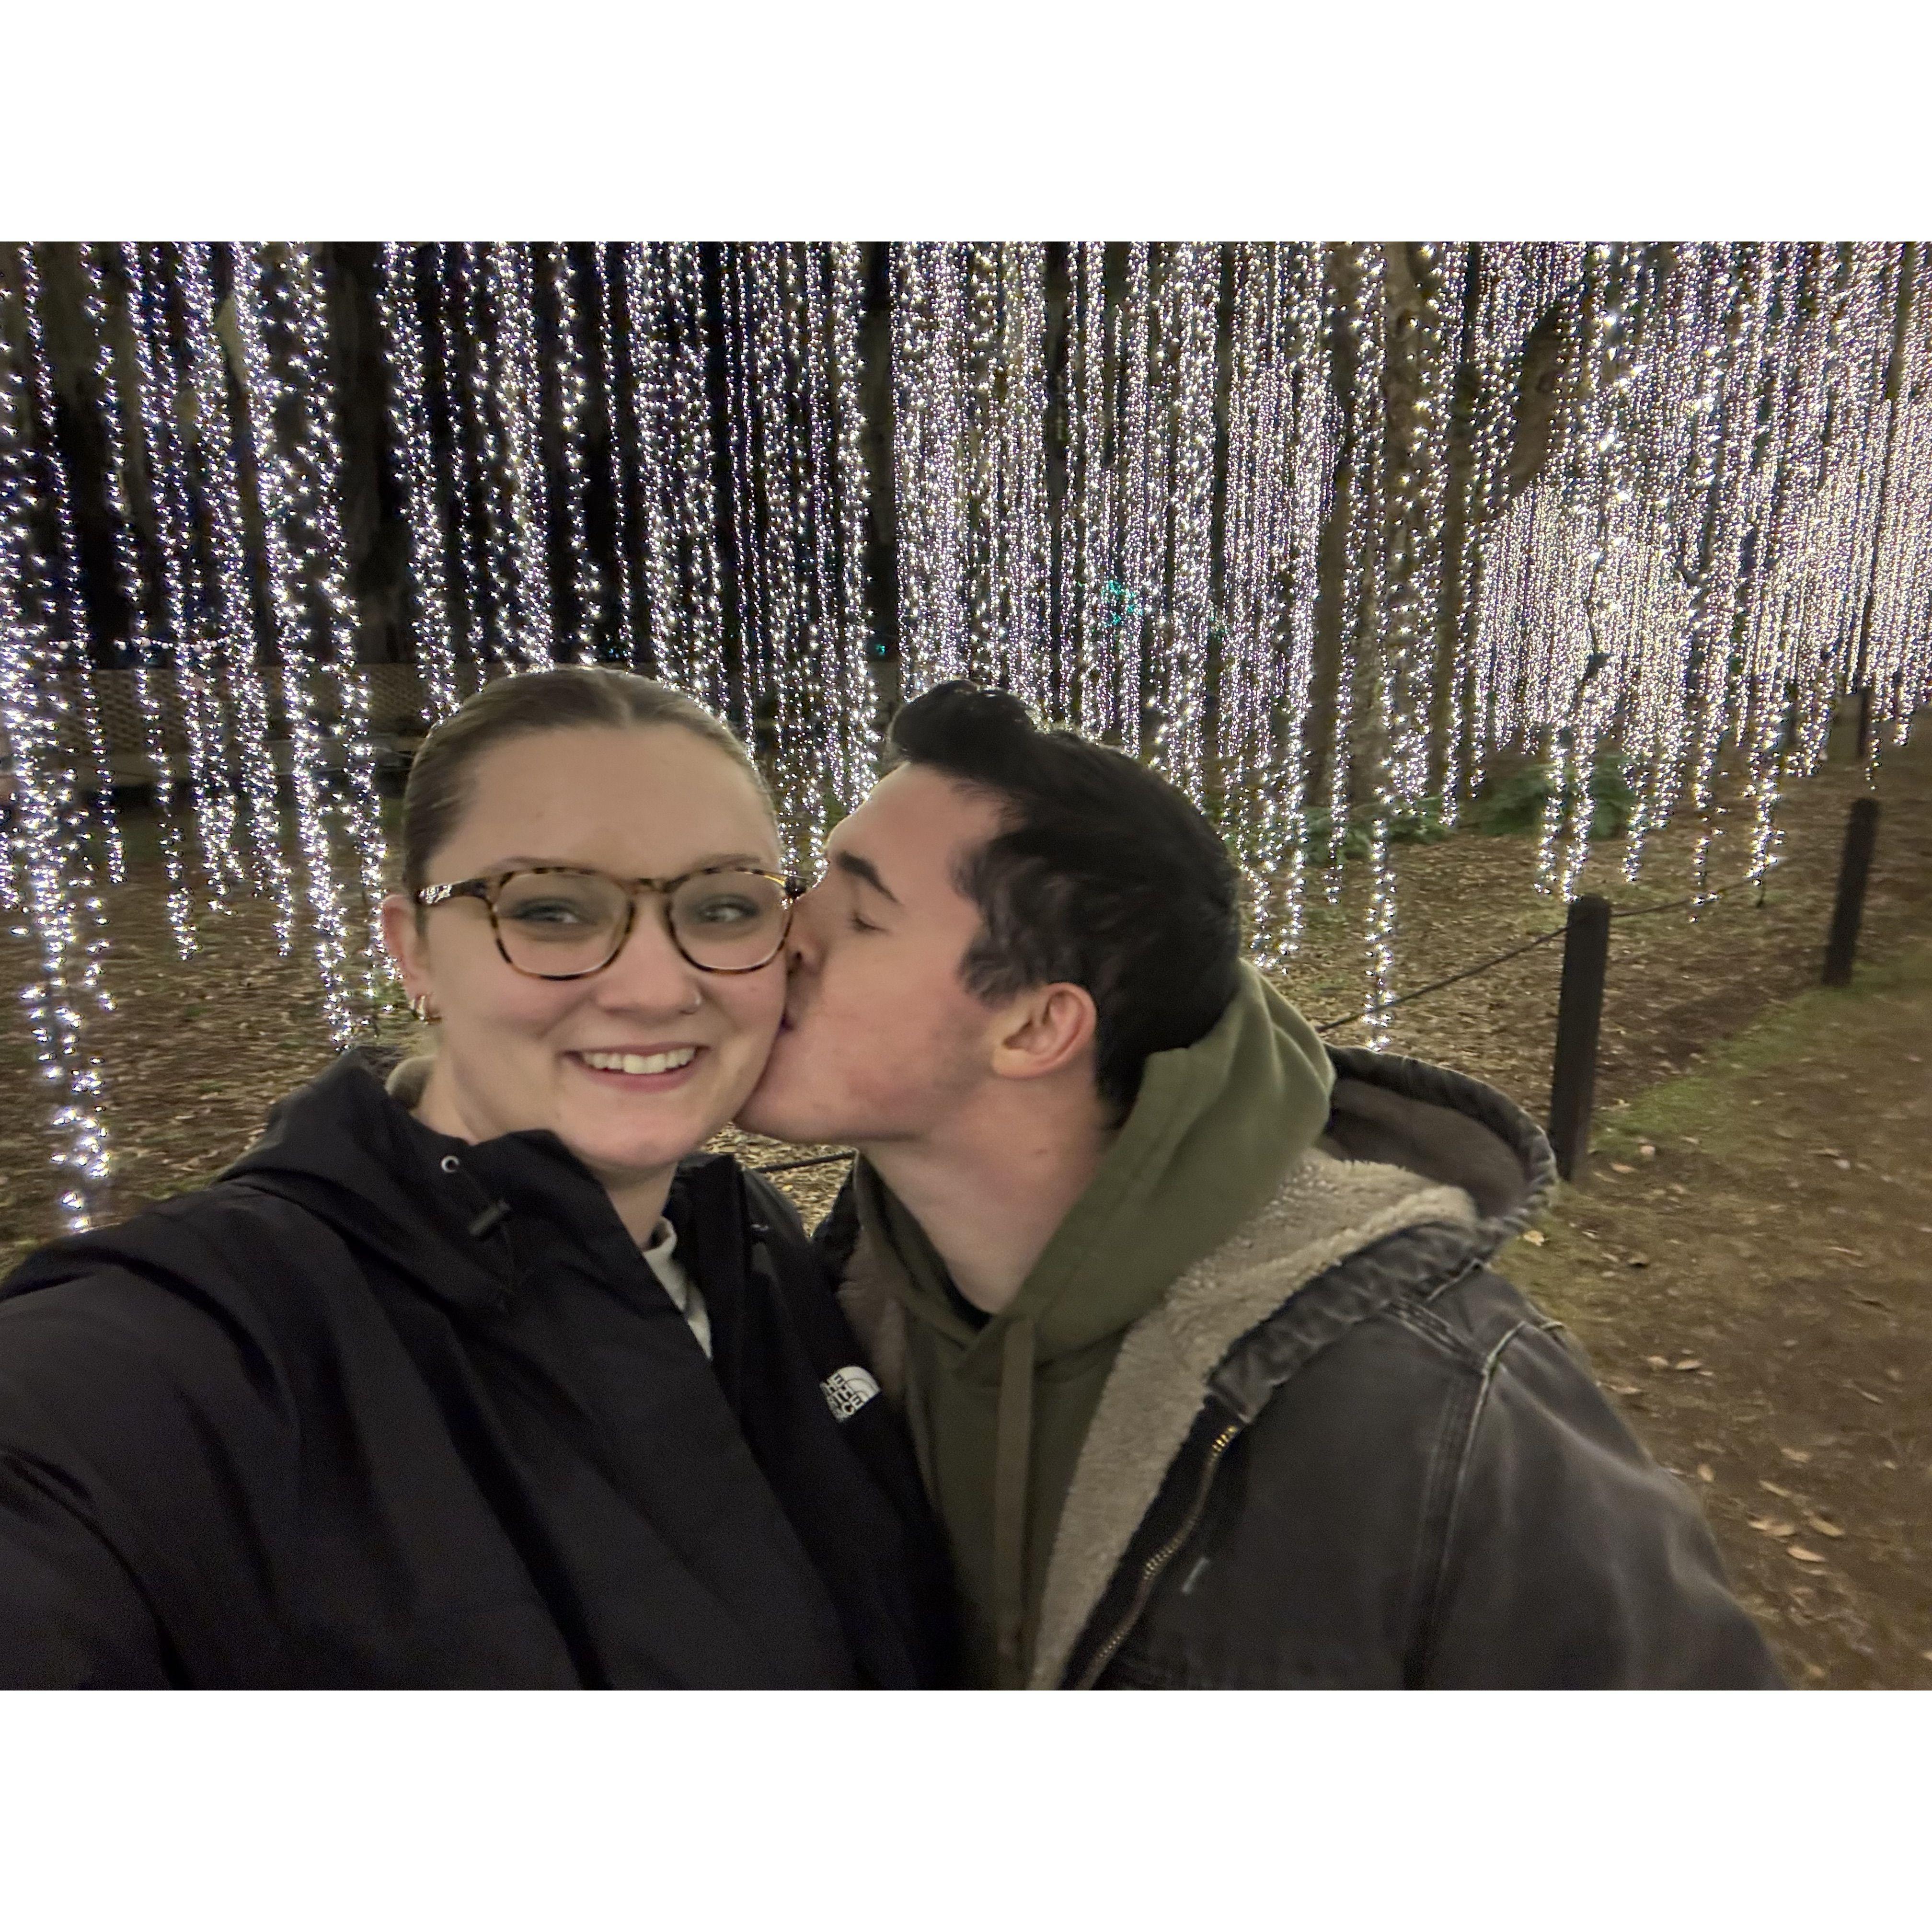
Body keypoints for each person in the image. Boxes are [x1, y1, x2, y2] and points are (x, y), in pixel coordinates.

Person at [738, 680, 1785, 1690]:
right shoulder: (819, 1299)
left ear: (1035, 1026)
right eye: (810, 880)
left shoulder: (1440, 1416)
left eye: (861, 915)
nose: (782, 931)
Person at [0, 666, 952, 1688]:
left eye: (722, 906)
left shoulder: (753, 1240)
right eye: (547, 911)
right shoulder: (198, 1346)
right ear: (413, 952)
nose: (654, 986)